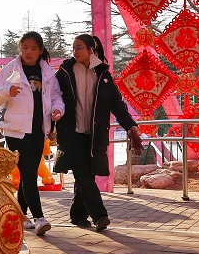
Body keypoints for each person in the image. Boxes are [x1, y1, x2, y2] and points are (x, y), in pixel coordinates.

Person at [54, 34, 143, 232]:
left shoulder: (102, 74)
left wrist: (130, 126)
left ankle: (77, 215)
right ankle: (100, 216)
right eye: (73, 48)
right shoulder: (65, 72)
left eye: (79, 48)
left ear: (90, 50)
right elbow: (53, 99)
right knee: (83, 174)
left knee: (86, 175)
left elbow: (116, 104)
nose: (75, 51)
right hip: (72, 133)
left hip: (94, 134)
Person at [0, 32, 64, 236]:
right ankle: (39, 217)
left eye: (33, 49)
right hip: (15, 130)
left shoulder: (48, 73)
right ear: (19, 48)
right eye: (25, 48)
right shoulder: (8, 71)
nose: (29, 52)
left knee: (28, 173)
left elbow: (56, 96)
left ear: (40, 50)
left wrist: (58, 110)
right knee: (29, 173)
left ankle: (20, 215)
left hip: (39, 129)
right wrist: (7, 91)